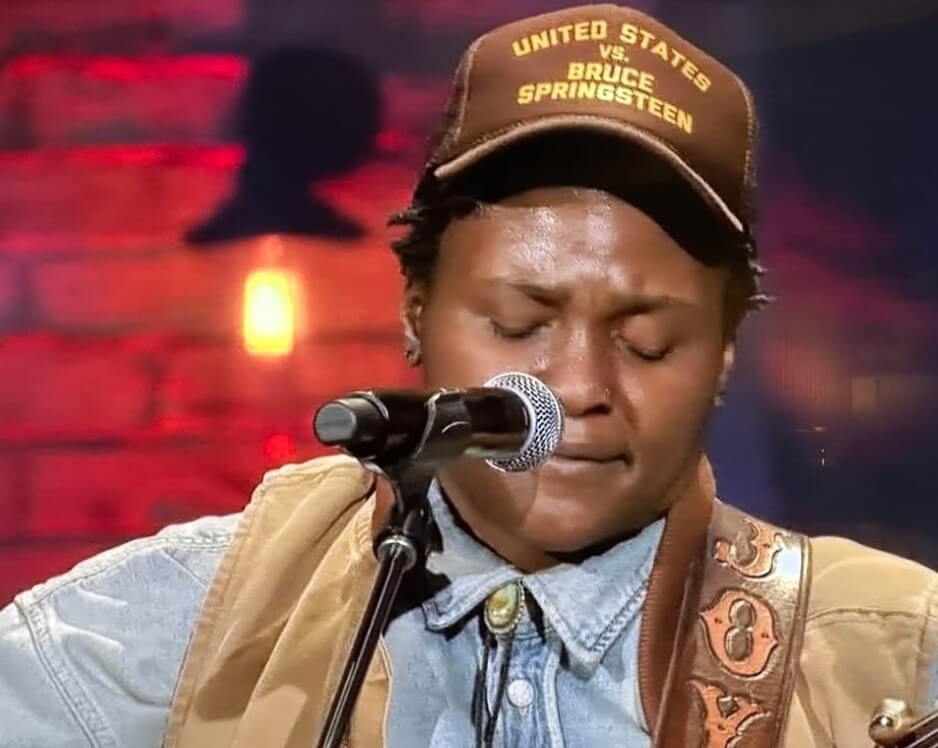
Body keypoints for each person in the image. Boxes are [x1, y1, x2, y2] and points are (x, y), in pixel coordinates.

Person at [2, 5, 936, 747]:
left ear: (725, 354)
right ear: (415, 314)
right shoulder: (196, 620)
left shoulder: (892, 649)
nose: (577, 384)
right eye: (518, 324)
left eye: (648, 342)